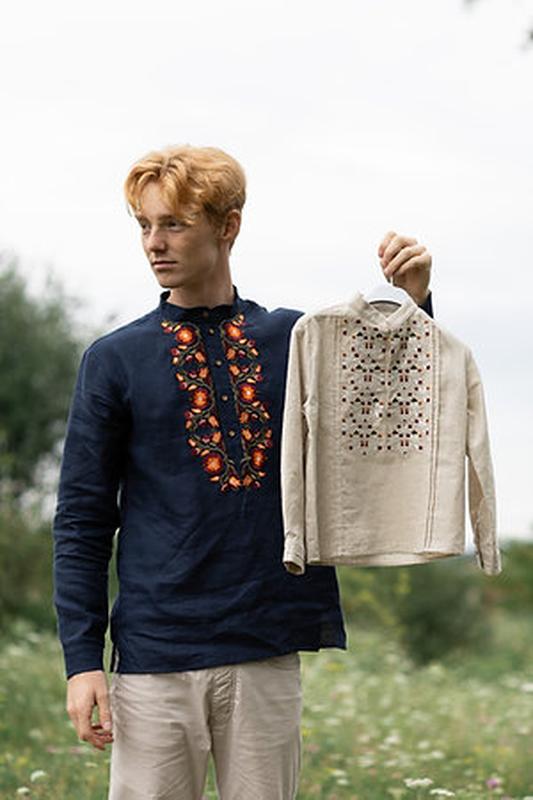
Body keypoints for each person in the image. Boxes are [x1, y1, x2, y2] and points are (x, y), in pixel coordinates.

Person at [52, 144, 433, 800]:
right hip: (155, 656)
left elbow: (386, 415)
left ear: (227, 226)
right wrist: (82, 661)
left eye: (174, 224)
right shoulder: (114, 361)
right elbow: (83, 521)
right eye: (144, 225)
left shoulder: (295, 340)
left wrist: (414, 302)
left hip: (265, 646)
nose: (154, 243)